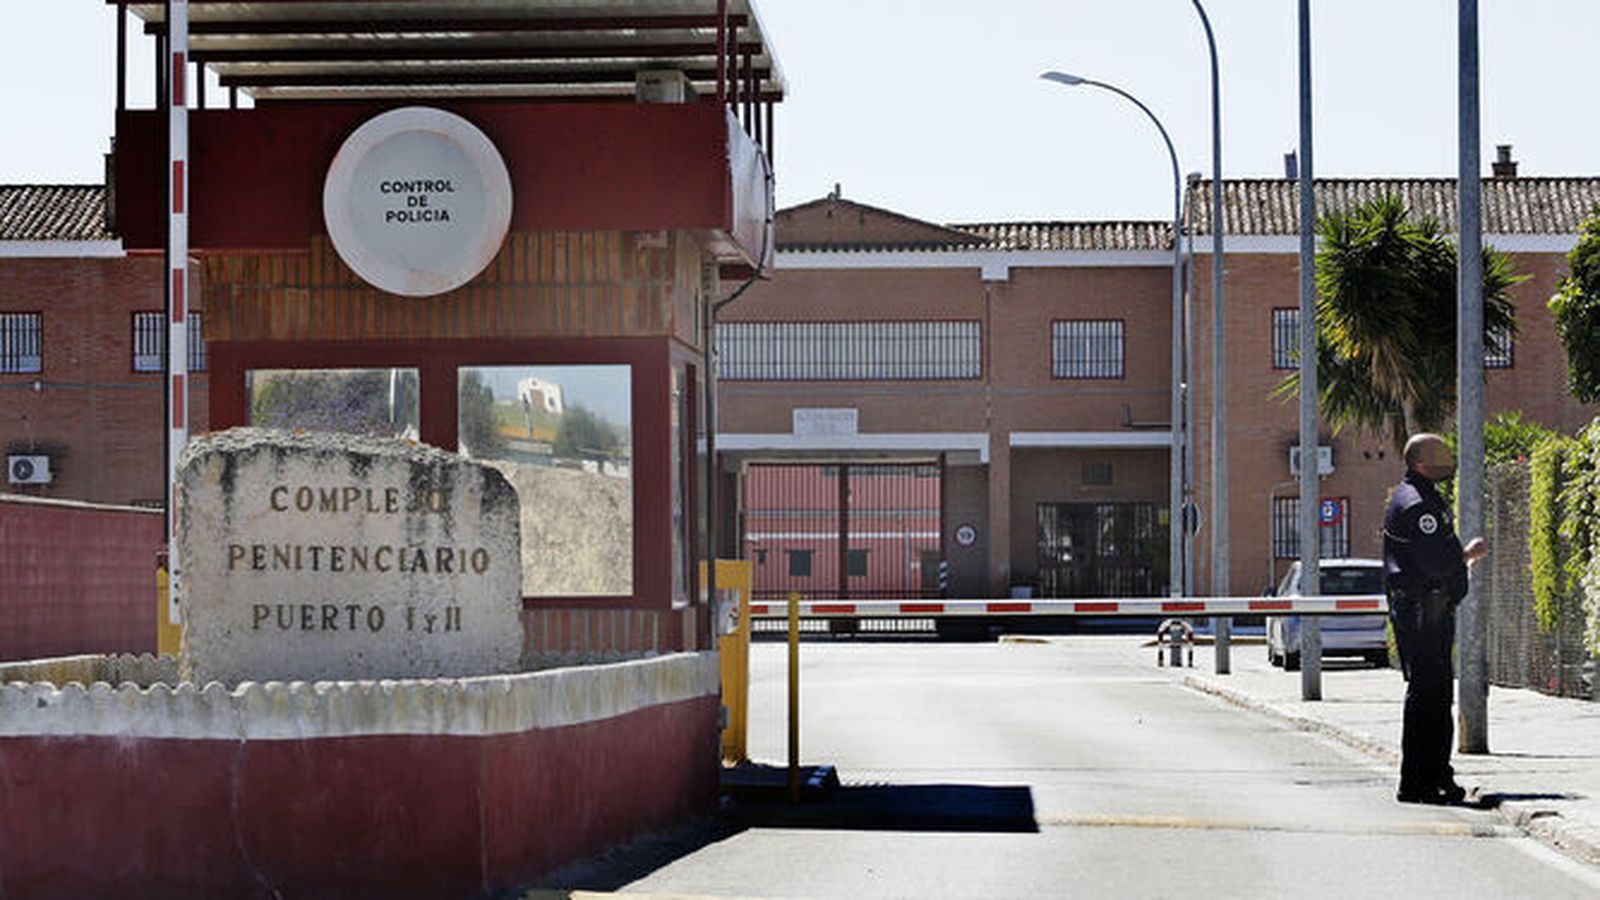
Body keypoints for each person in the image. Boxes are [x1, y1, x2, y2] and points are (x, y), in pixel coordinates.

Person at [1382, 433, 1489, 805]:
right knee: (1428, 697)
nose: (1448, 456)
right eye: (1440, 451)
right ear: (1421, 461)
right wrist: (1468, 555)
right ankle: (1418, 781)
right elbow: (1434, 562)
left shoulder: (1422, 495)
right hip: (1422, 610)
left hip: (1430, 609)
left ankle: (1435, 776)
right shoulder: (1417, 504)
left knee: (1435, 695)